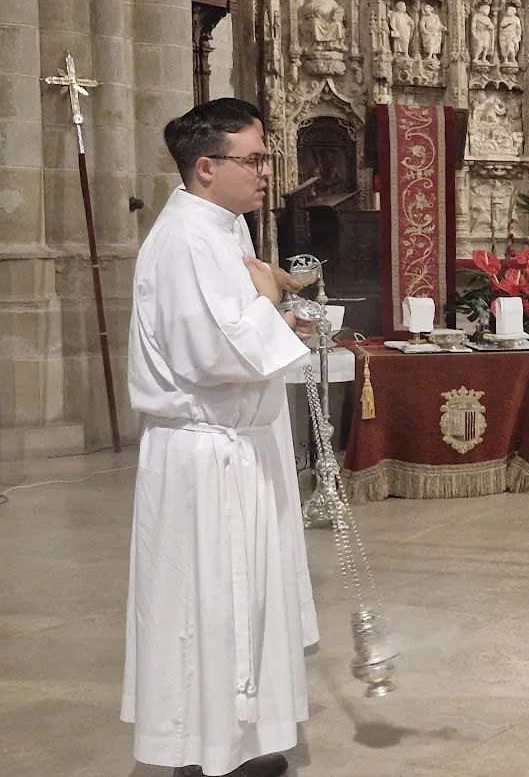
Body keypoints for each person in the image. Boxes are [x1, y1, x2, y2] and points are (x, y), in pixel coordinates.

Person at [124, 98, 318, 777]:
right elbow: (209, 352)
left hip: (237, 444)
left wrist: (274, 313)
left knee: (244, 603)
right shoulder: (183, 239)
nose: (267, 172)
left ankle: (233, 743)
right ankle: (204, 752)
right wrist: (267, 306)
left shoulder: (225, 227)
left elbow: (237, 327)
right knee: (207, 608)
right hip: (204, 456)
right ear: (205, 167)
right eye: (255, 159)